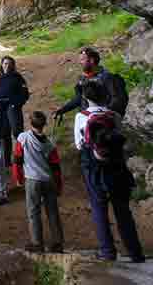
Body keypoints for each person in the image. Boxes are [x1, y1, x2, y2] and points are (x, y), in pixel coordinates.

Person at [74, 82, 145, 263]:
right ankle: (135, 252)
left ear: (85, 98)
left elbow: (79, 144)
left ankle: (108, 252)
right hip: (117, 166)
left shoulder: (81, 117)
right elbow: (120, 138)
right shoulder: (114, 115)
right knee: (122, 210)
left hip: (93, 166)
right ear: (105, 95)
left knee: (99, 208)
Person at [12, 111, 64, 254]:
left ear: (30, 123)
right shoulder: (49, 144)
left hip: (32, 180)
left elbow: (17, 160)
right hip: (48, 180)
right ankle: (58, 243)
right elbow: (56, 167)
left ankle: (37, 243)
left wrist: (18, 178)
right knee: (53, 212)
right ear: (44, 124)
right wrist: (59, 185)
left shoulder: (23, 138)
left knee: (33, 212)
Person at [54, 47, 129, 122]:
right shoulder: (83, 79)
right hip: (88, 121)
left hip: (106, 123)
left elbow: (119, 100)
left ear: (92, 60)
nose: (80, 62)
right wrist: (63, 110)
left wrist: (102, 115)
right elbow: (79, 98)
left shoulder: (108, 78)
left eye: (82, 60)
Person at [0, 56, 30, 166]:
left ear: (13, 66)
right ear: (1, 65)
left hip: (13, 108)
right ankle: (7, 161)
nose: (7, 66)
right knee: (5, 135)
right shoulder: (0, 79)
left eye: (9, 64)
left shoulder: (18, 78)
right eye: (5, 63)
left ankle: (23, 158)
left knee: (17, 133)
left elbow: (25, 94)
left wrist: (15, 104)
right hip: (2, 109)